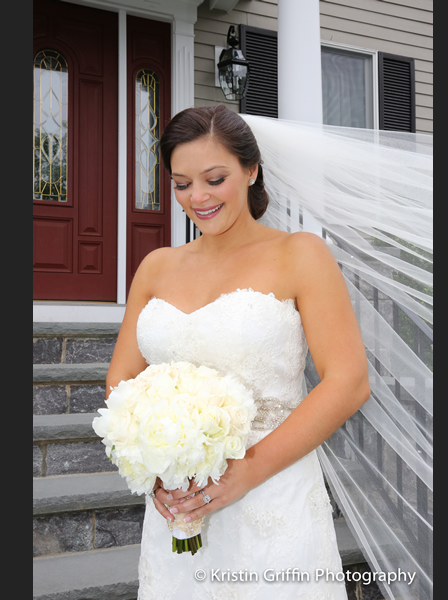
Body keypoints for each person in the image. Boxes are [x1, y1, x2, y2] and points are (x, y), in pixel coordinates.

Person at [105, 105, 371, 599]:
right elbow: (121, 380)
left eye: (214, 178)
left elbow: (349, 380)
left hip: (273, 495)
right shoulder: (156, 266)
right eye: (182, 183)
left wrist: (247, 470)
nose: (197, 197)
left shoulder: (300, 254)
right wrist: (156, 468)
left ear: (251, 170)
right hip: (179, 501)